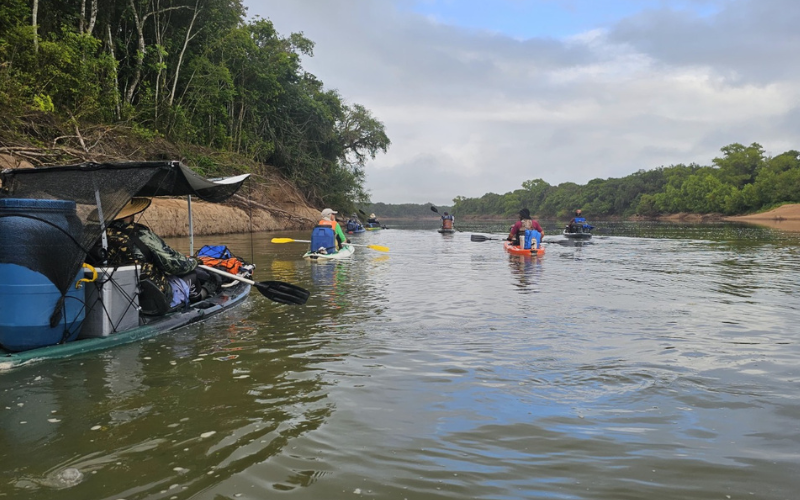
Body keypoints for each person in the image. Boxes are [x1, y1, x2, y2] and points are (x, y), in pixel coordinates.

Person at [103, 197, 218, 312]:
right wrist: (194, 261)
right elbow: (174, 265)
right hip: (150, 295)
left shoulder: (99, 236)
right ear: (130, 213)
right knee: (193, 275)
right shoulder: (141, 234)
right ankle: (202, 294)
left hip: (113, 293)